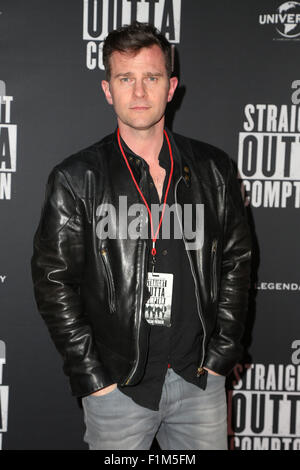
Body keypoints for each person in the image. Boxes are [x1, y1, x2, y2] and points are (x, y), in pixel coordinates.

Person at [31, 21, 252, 450]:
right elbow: (53, 282)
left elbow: (236, 263)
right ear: (107, 89)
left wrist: (222, 357)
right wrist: (93, 379)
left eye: (150, 78)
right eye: (125, 79)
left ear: (171, 87)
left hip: (198, 382)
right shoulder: (77, 178)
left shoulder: (214, 170)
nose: (138, 92)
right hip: (119, 389)